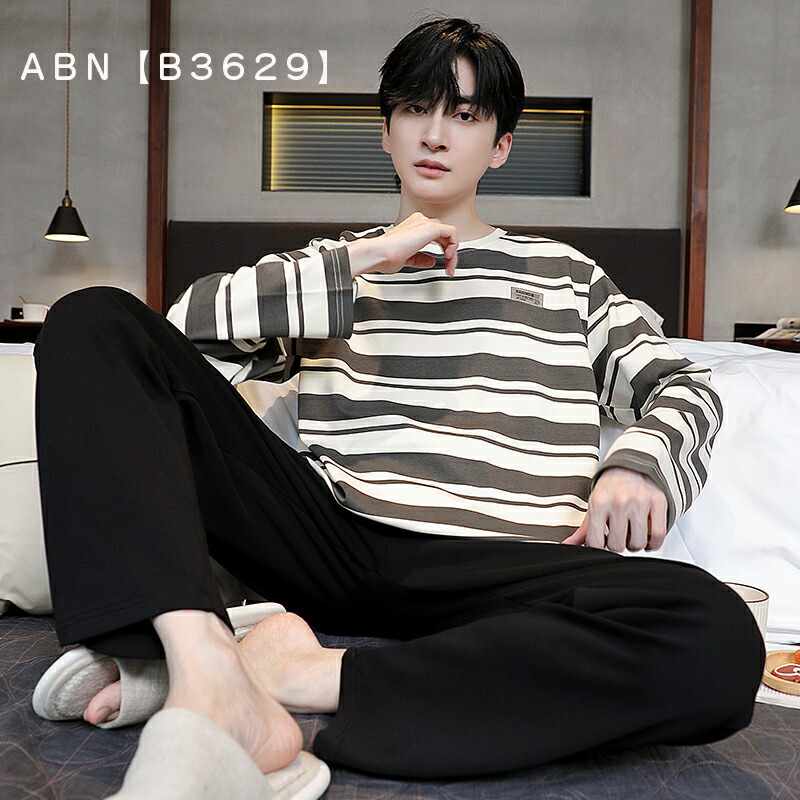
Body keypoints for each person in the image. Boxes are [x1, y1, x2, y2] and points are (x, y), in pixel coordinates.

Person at [33, 16, 764, 789]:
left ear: (501, 146)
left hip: (500, 568)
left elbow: (684, 386)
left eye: (466, 114)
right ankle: (201, 660)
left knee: (717, 634)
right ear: (385, 132)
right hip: (330, 538)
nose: (435, 134)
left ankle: (294, 675)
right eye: (415, 108)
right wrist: (364, 257)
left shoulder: (568, 277)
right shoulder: (335, 268)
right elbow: (172, 346)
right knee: (90, 319)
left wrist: (637, 466)